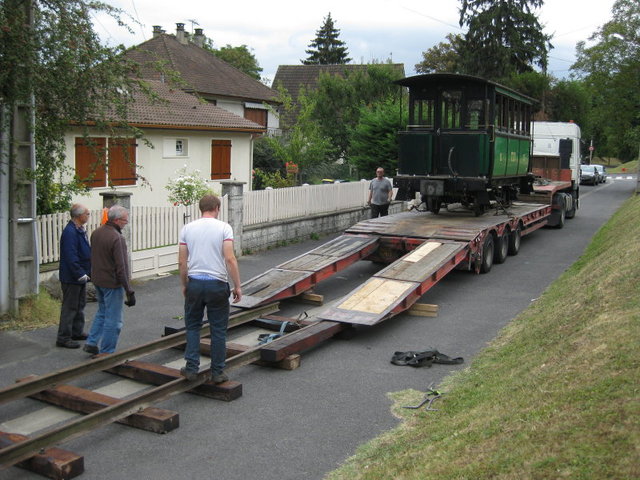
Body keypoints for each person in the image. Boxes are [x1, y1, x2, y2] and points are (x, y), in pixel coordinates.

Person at [178, 194, 242, 384]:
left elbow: (182, 261)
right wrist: (237, 285)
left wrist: (184, 284)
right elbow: (230, 259)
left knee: (192, 326)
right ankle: (217, 372)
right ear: (217, 208)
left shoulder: (187, 229)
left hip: (195, 283)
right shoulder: (224, 228)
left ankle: (191, 368)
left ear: (201, 208)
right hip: (217, 284)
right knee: (218, 330)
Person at [83, 205, 136, 355]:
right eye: (125, 221)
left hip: (98, 280)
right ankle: (107, 352)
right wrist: (129, 291)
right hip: (112, 284)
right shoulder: (117, 238)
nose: (126, 224)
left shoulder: (96, 233)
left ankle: (92, 342)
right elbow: (122, 268)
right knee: (114, 320)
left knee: (102, 312)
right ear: (118, 220)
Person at [56, 204, 91, 348]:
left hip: (79, 275)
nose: (88, 215)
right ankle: (63, 337)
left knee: (80, 304)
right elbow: (71, 256)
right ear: (78, 216)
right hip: (72, 277)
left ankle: (76, 331)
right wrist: (79, 273)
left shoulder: (78, 229)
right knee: (70, 307)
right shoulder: (70, 232)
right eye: (87, 213)